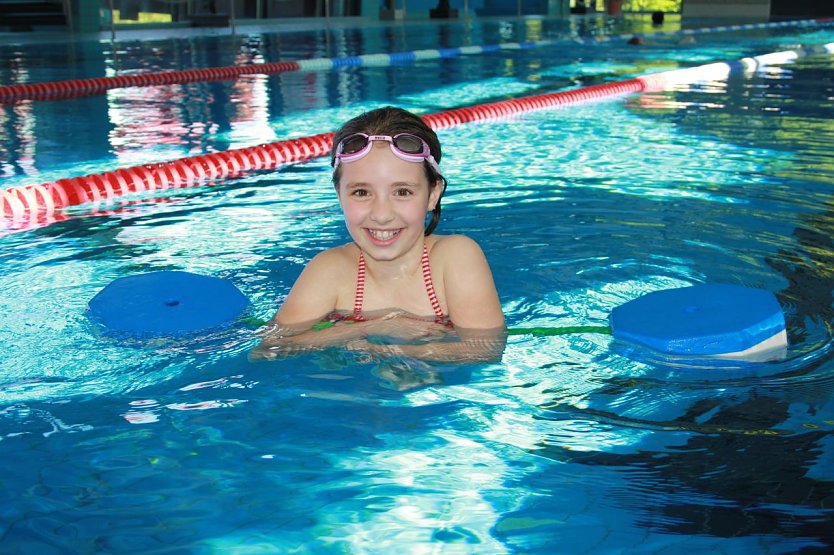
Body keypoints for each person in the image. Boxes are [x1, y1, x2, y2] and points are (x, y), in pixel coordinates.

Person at [250, 107, 506, 363]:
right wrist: (371, 328)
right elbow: (267, 349)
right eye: (361, 192)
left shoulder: (454, 257)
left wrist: (393, 354)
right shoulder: (330, 269)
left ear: (432, 194)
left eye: (403, 192)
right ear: (339, 194)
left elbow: (485, 350)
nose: (381, 215)